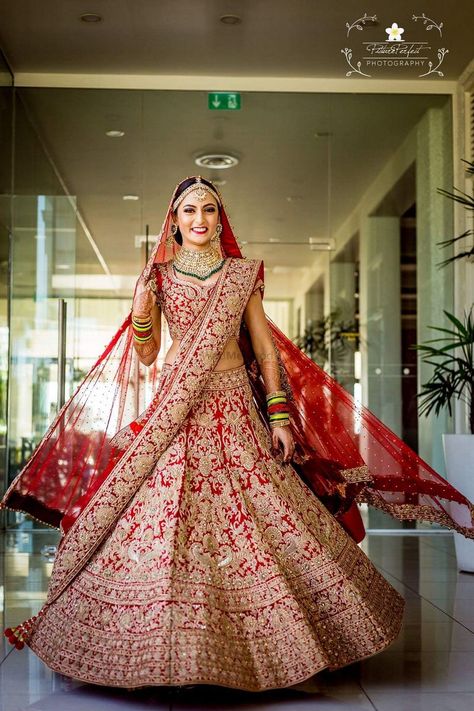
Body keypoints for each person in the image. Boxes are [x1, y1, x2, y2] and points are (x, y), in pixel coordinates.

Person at [2, 176, 473, 692]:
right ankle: (164, 646)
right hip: (177, 410)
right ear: (174, 221)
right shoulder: (157, 277)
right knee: (165, 518)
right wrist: (141, 307)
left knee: (262, 513)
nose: (200, 219)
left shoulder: (242, 275)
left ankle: (285, 643)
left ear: (219, 218)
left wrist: (278, 416)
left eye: (209, 209)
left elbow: (265, 350)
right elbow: (145, 353)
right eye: (188, 211)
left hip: (234, 408)